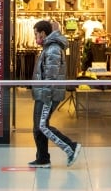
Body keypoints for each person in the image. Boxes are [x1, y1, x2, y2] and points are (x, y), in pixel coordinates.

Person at [28, 20, 82, 169]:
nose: (35, 37)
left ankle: (71, 147)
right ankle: (43, 158)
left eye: (36, 34)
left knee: (42, 126)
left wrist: (46, 95)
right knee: (38, 127)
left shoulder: (52, 49)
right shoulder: (48, 47)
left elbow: (51, 76)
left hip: (48, 94)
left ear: (43, 33)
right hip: (43, 93)